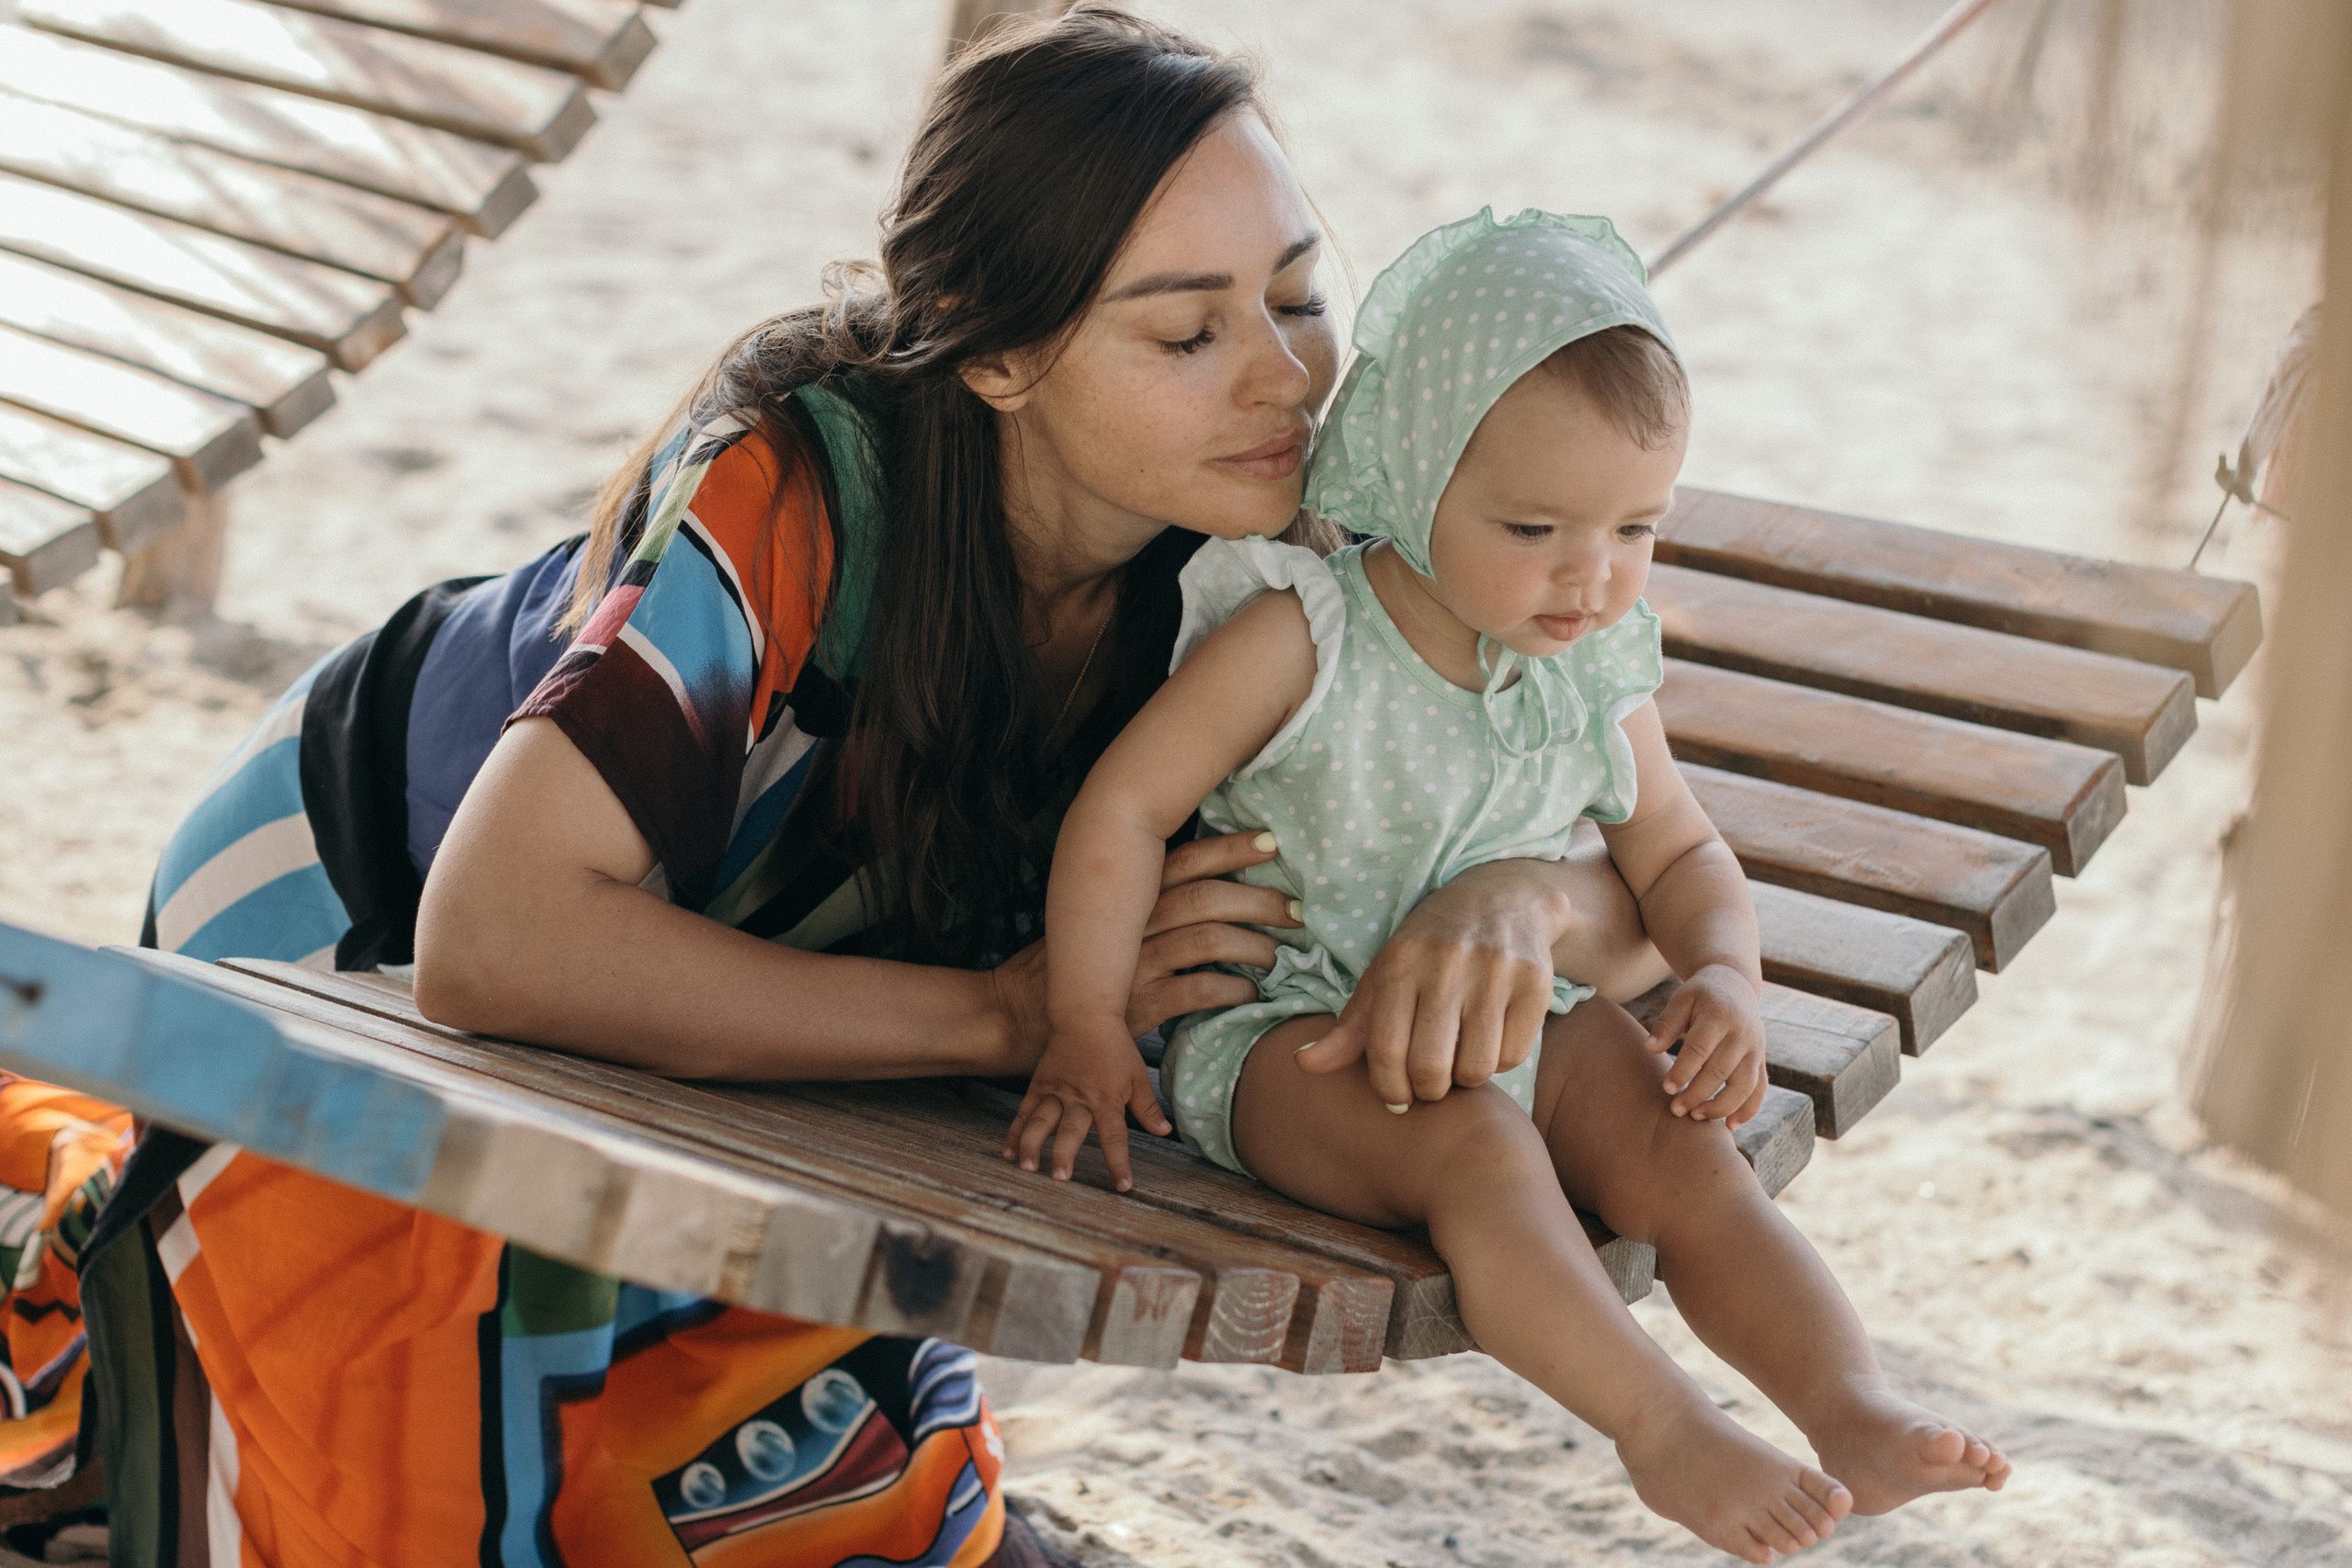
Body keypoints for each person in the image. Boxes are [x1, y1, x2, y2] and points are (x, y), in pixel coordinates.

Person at [62, 11, 1668, 1565]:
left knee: (821, 1498)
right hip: (347, 922)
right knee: (462, 1494)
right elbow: (497, 945)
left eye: (1300, 297)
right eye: (1187, 331)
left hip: (756, 1006)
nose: (1281, 380)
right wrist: (998, 1015)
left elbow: (1628, 842)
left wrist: (1512, 896)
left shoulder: (1282, 555)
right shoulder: (794, 497)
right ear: (1001, 359)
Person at [1017, 209, 2013, 1564]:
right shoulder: (1301, 636)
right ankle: (1659, 1428)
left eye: (1636, 529)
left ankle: (1848, 1405)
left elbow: (1680, 855)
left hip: (1525, 1027)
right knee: (1476, 1150)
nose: (1589, 574)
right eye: (1536, 524)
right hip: (1290, 1043)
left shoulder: (1591, 672)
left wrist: (1725, 973)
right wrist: (1085, 1022)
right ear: (1417, 473)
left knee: (1682, 1144)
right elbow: (1122, 808)